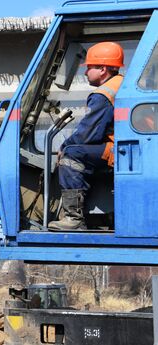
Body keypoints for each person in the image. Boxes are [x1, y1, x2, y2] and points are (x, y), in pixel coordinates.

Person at [49, 42, 124, 231]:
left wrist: (64, 146)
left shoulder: (103, 95)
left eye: (89, 67)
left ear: (103, 69)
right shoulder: (121, 84)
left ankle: (74, 219)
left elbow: (89, 133)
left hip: (120, 150)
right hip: (127, 148)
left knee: (72, 155)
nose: (85, 72)